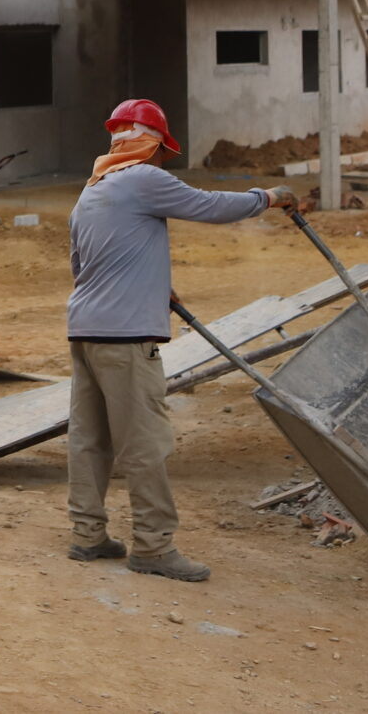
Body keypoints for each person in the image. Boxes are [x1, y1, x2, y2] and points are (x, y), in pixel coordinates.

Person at [65, 98, 299, 583]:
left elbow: (85, 266)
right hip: (127, 338)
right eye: (159, 152)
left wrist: (151, 286)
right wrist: (269, 197)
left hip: (86, 331)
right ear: (152, 145)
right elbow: (210, 206)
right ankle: (153, 546)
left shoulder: (92, 191)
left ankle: (87, 536)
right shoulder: (143, 180)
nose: (159, 161)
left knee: (89, 438)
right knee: (145, 441)